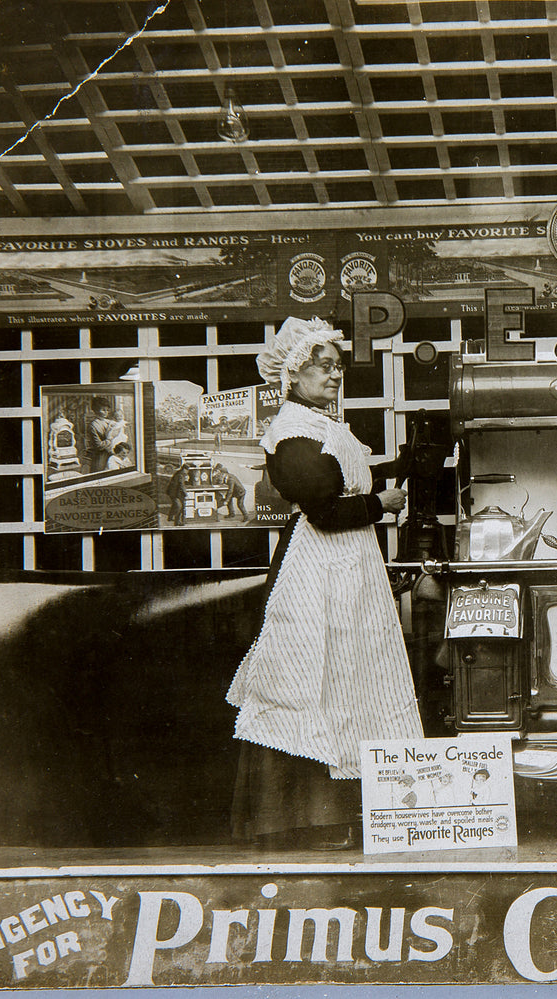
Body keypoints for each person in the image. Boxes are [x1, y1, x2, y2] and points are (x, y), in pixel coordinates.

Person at [226, 317, 421, 850]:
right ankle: (301, 817)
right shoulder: (291, 432)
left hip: (351, 567)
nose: (334, 377)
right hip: (317, 567)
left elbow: (347, 478)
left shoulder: (321, 424)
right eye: (323, 367)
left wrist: (401, 465)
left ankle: (358, 813)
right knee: (313, 672)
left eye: (337, 368)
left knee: (355, 672)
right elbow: (323, 509)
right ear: (292, 373)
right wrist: (379, 505)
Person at [87, 398, 125, 473]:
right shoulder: (94, 425)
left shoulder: (110, 422)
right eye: (103, 410)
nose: (106, 412)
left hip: (112, 454)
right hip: (101, 457)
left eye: (107, 410)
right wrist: (111, 438)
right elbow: (99, 446)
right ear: (96, 410)